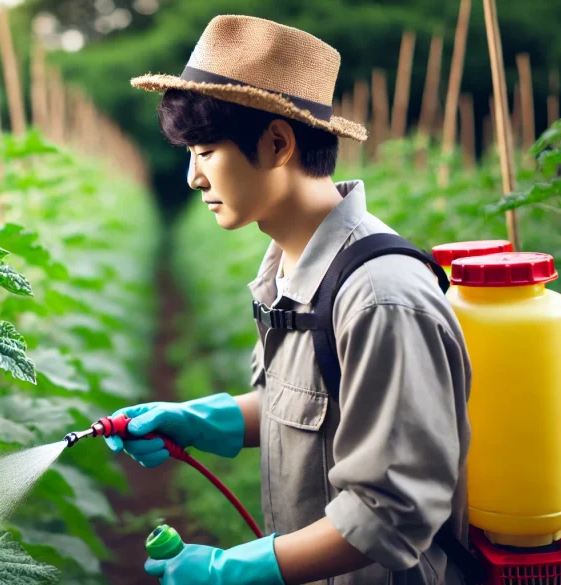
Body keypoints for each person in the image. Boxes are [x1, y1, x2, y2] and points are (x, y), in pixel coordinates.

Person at [107, 15, 472, 585]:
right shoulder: (290, 265)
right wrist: (199, 421)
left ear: (278, 143)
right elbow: (307, 405)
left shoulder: (381, 298)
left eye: (204, 151)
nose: (192, 178)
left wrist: (233, 570)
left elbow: (392, 512)